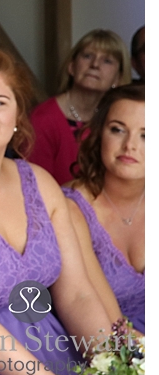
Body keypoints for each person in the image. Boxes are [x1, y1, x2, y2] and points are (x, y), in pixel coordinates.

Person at [0, 45, 114, 375]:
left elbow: (78, 293)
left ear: (18, 117)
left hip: (54, 349)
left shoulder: (40, 183)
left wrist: (116, 367)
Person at [63, 83, 145, 333]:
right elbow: (89, 306)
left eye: (147, 135)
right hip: (107, 347)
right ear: (99, 134)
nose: (130, 145)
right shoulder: (70, 207)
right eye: (118, 130)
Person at [29, 29, 132, 185]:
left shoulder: (120, 120)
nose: (95, 65)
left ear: (118, 78)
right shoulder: (43, 118)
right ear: (71, 66)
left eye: (107, 61)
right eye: (87, 56)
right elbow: (34, 188)